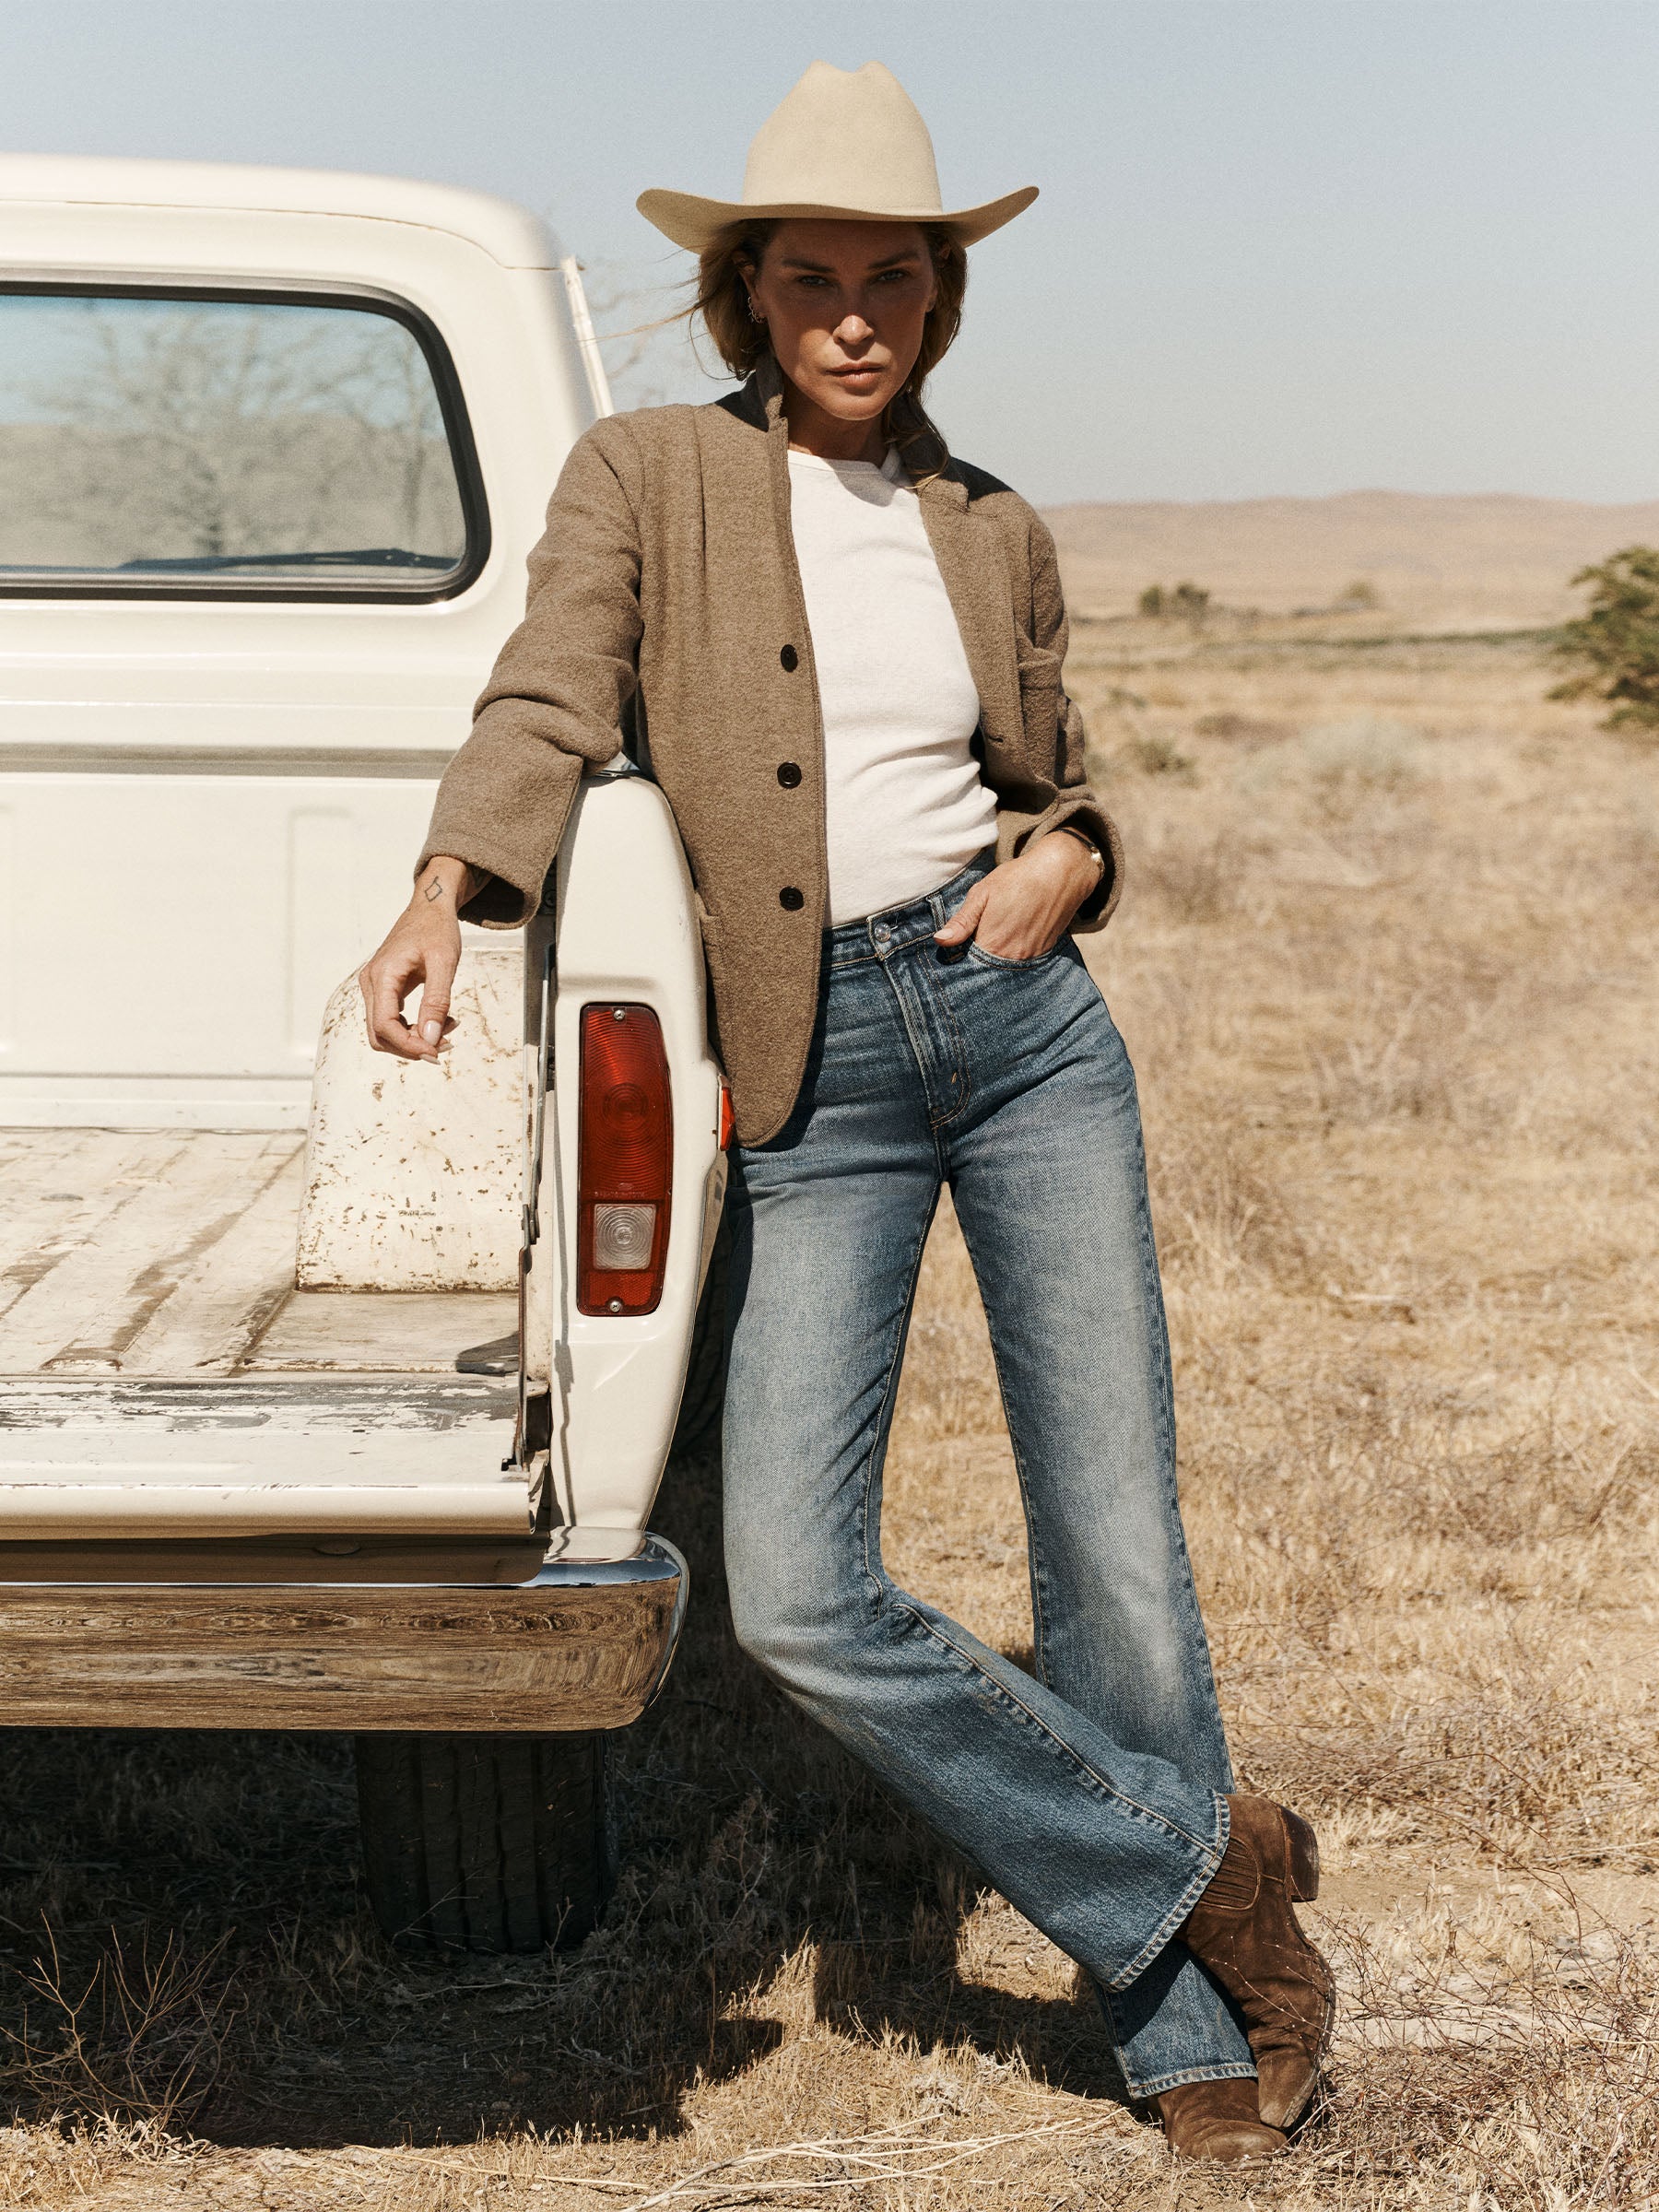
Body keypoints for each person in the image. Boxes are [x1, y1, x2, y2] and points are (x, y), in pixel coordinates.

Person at [360, 60, 1333, 2164]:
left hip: (1026, 1032)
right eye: (814, 279)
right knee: (796, 1591)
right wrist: (451, 885)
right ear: (749, 296)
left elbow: (1049, 780)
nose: (858, 315)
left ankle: (1185, 2043)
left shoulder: (994, 525)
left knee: (1115, 1550)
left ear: (940, 299)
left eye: (895, 278)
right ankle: (1212, 1865)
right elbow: (550, 686)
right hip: (817, 1077)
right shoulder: (650, 475)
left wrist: (1079, 853)